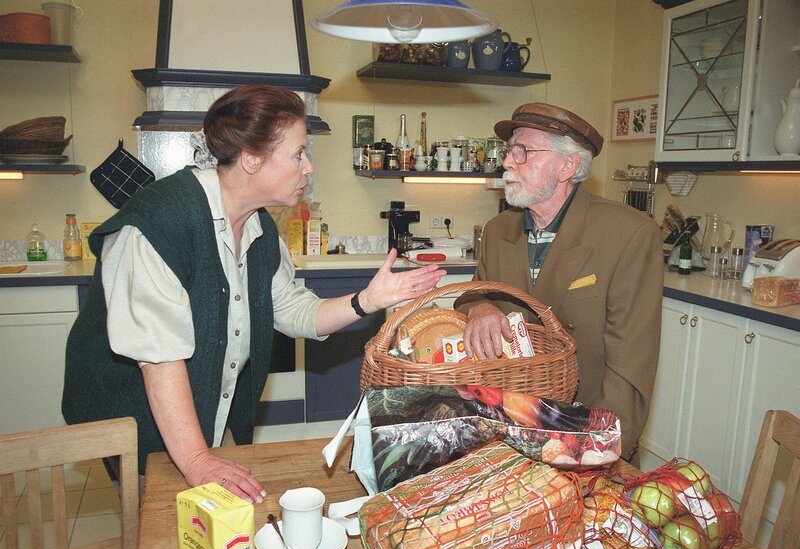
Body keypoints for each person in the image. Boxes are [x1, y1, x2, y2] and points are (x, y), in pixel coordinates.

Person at [62, 84, 445, 504]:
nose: (309, 167)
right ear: (251, 159)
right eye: (299, 153)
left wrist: (367, 300)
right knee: (162, 528)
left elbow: (294, 310)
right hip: (133, 421)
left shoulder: (260, 228)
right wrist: (197, 459)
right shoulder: (155, 226)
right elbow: (159, 359)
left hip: (201, 413)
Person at [454, 103, 663, 463]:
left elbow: (630, 367)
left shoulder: (629, 234)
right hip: (504, 434)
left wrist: (599, 449)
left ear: (566, 166)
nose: (507, 162)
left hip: (584, 437)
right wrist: (482, 307)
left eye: (524, 152)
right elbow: (475, 293)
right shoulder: (497, 230)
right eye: (509, 151)